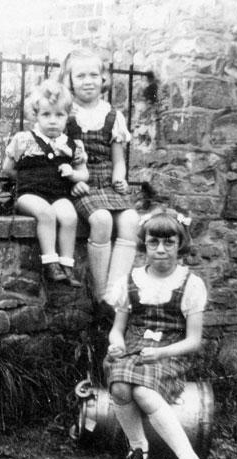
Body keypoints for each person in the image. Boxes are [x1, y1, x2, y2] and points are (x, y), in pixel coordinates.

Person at [104, 207, 213, 459]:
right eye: (154, 242)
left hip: (170, 352)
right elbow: (118, 328)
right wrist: (116, 344)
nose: (161, 250)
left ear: (180, 245)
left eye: (169, 243)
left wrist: (162, 354)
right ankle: (138, 448)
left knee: (142, 392)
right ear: (145, 244)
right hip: (135, 349)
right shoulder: (131, 280)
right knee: (119, 387)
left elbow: (193, 340)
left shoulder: (190, 284)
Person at [60, 48, 140, 308]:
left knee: (131, 219)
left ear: (103, 79)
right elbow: (58, 158)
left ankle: (115, 294)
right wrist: (74, 180)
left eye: (94, 74)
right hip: (81, 186)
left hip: (108, 183)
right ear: (69, 80)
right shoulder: (65, 114)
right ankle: (100, 291)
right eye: (80, 75)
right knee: (102, 219)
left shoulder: (113, 116)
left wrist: (120, 178)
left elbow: (118, 160)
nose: (88, 81)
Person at [1, 79, 89, 285]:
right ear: (36, 115)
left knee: (69, 216)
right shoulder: (24, 140)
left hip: (58, 194)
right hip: (29, 194)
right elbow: (7, 168)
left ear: (68, 117)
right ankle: (51, 263)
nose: (52, 121)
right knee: (46, 214)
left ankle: (67, 265)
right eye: (46, 114)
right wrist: (26, 179)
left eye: (59, 115)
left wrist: (73, 174)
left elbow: (84, 173)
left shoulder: (71, 145)